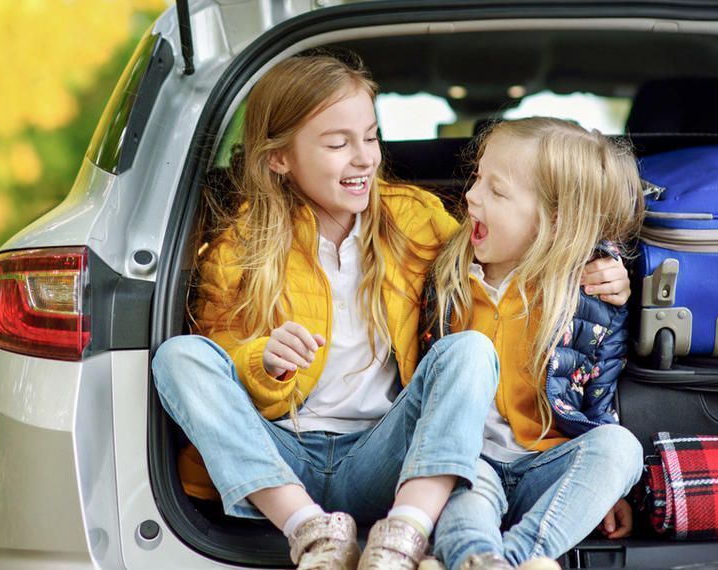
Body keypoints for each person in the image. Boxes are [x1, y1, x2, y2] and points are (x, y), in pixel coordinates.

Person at [152, 54, 632, 570]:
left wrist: (599, 263)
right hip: (280, 458)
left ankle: (404, 534)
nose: (364, 158)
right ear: (279, 158)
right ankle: (311, 534)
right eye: (338, 144)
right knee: (177, 358)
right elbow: (220, 358)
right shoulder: (239, 248)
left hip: (385, 455)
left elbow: (513, 245)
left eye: (372, 137)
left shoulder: (416, 221)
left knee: (469, 350)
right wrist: (261, 360)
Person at [421, 117, 646, 570]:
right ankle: (480, 559)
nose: (471, 195)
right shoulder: (448, 275)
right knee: (458, 489)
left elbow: (599, 396)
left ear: (554, 219)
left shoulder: (590, 292)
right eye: (477, 178)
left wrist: (605, 490)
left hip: (547, 462)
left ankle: (512, 558)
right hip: (471, 458)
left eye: (496, 191)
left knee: (621, 448)